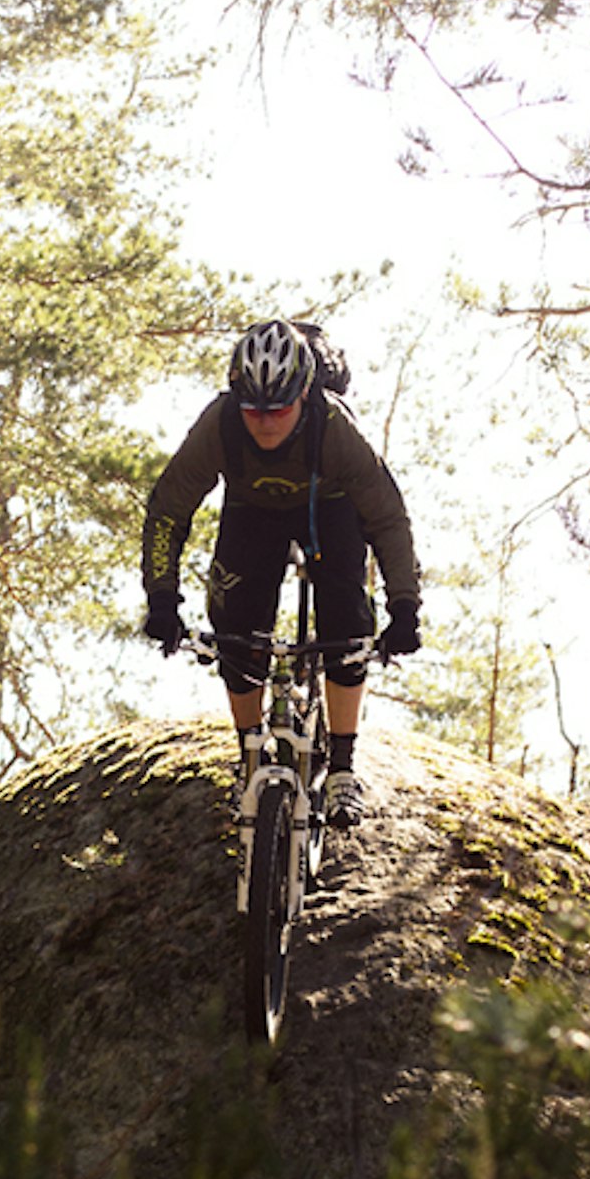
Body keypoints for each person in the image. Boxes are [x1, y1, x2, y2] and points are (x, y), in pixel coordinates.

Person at [140, 318, 422, 827]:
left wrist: (404, 606)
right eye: (253, 410)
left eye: (280, 408)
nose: (265, 422)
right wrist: (162, 597)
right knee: (236, 631)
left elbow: (386, 517)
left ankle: (341, 766)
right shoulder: (220, 424)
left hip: (328, 506)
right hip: (251, 511)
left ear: (305, 393)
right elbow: (167, 511)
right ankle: (249, 758)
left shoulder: (333, 427)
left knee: (346, 620)